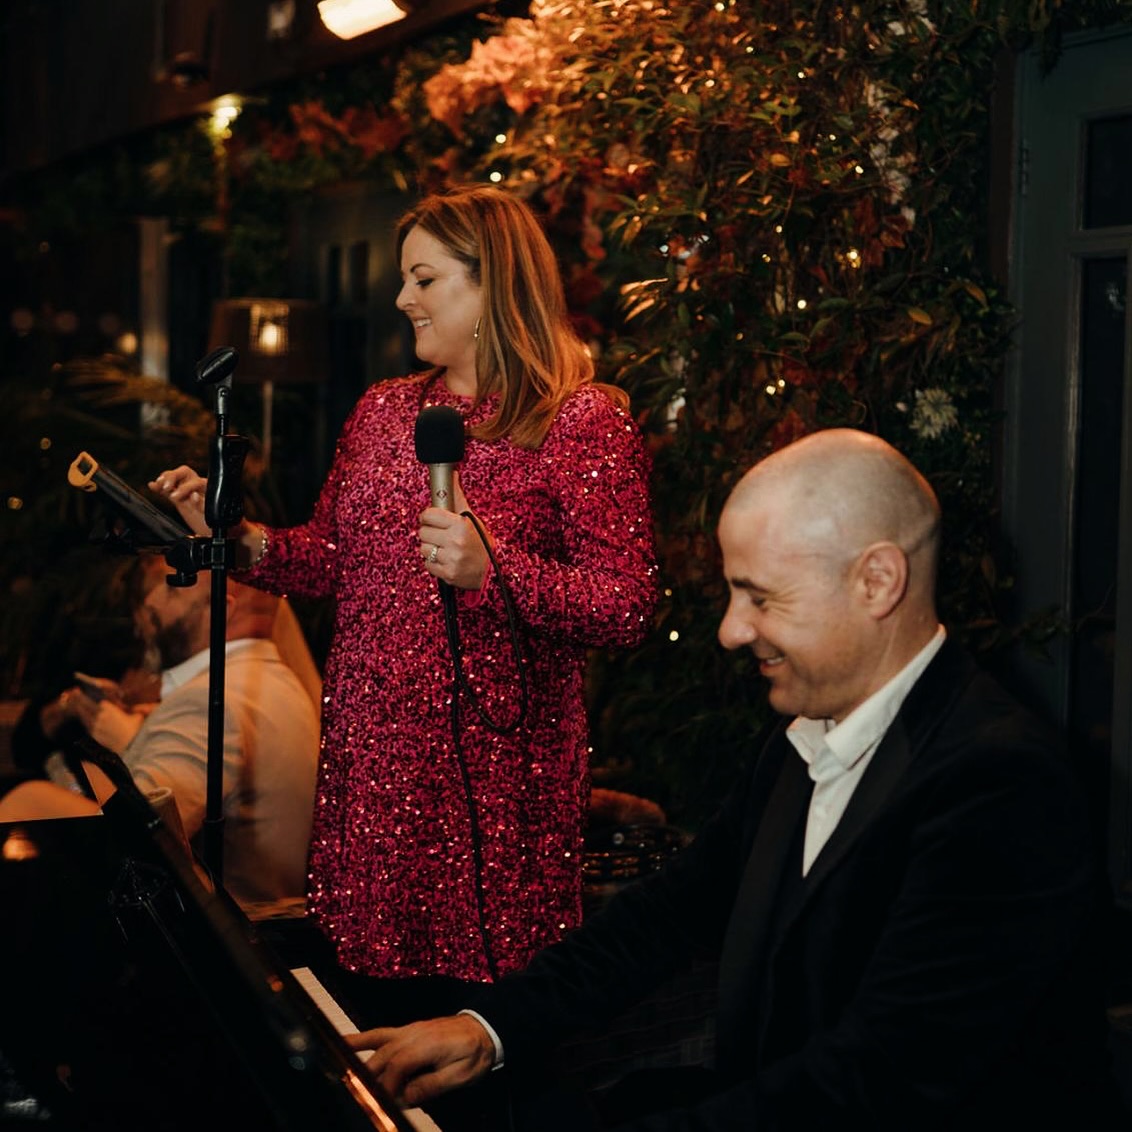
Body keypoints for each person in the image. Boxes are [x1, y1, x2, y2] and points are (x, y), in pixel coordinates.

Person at [345, 428, 1118, 1130]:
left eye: (760, 596)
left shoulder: (1001, 781)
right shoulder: (801, 734)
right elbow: (668, 915)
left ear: (878, 582)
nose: (730, 630)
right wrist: (488, 1028)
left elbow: (879, 1078)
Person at [149, 184, 659, 1014]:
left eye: (424, 279)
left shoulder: (580, 420)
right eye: (404, 279)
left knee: (481, 1040)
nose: (401, 298)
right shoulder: (386, 410)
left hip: (497, 791)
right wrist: (234, 538)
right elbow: (332, 561)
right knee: (366, 1022)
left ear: (490, 282)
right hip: (371, 776)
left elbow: (627, 603)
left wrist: (498, 574)